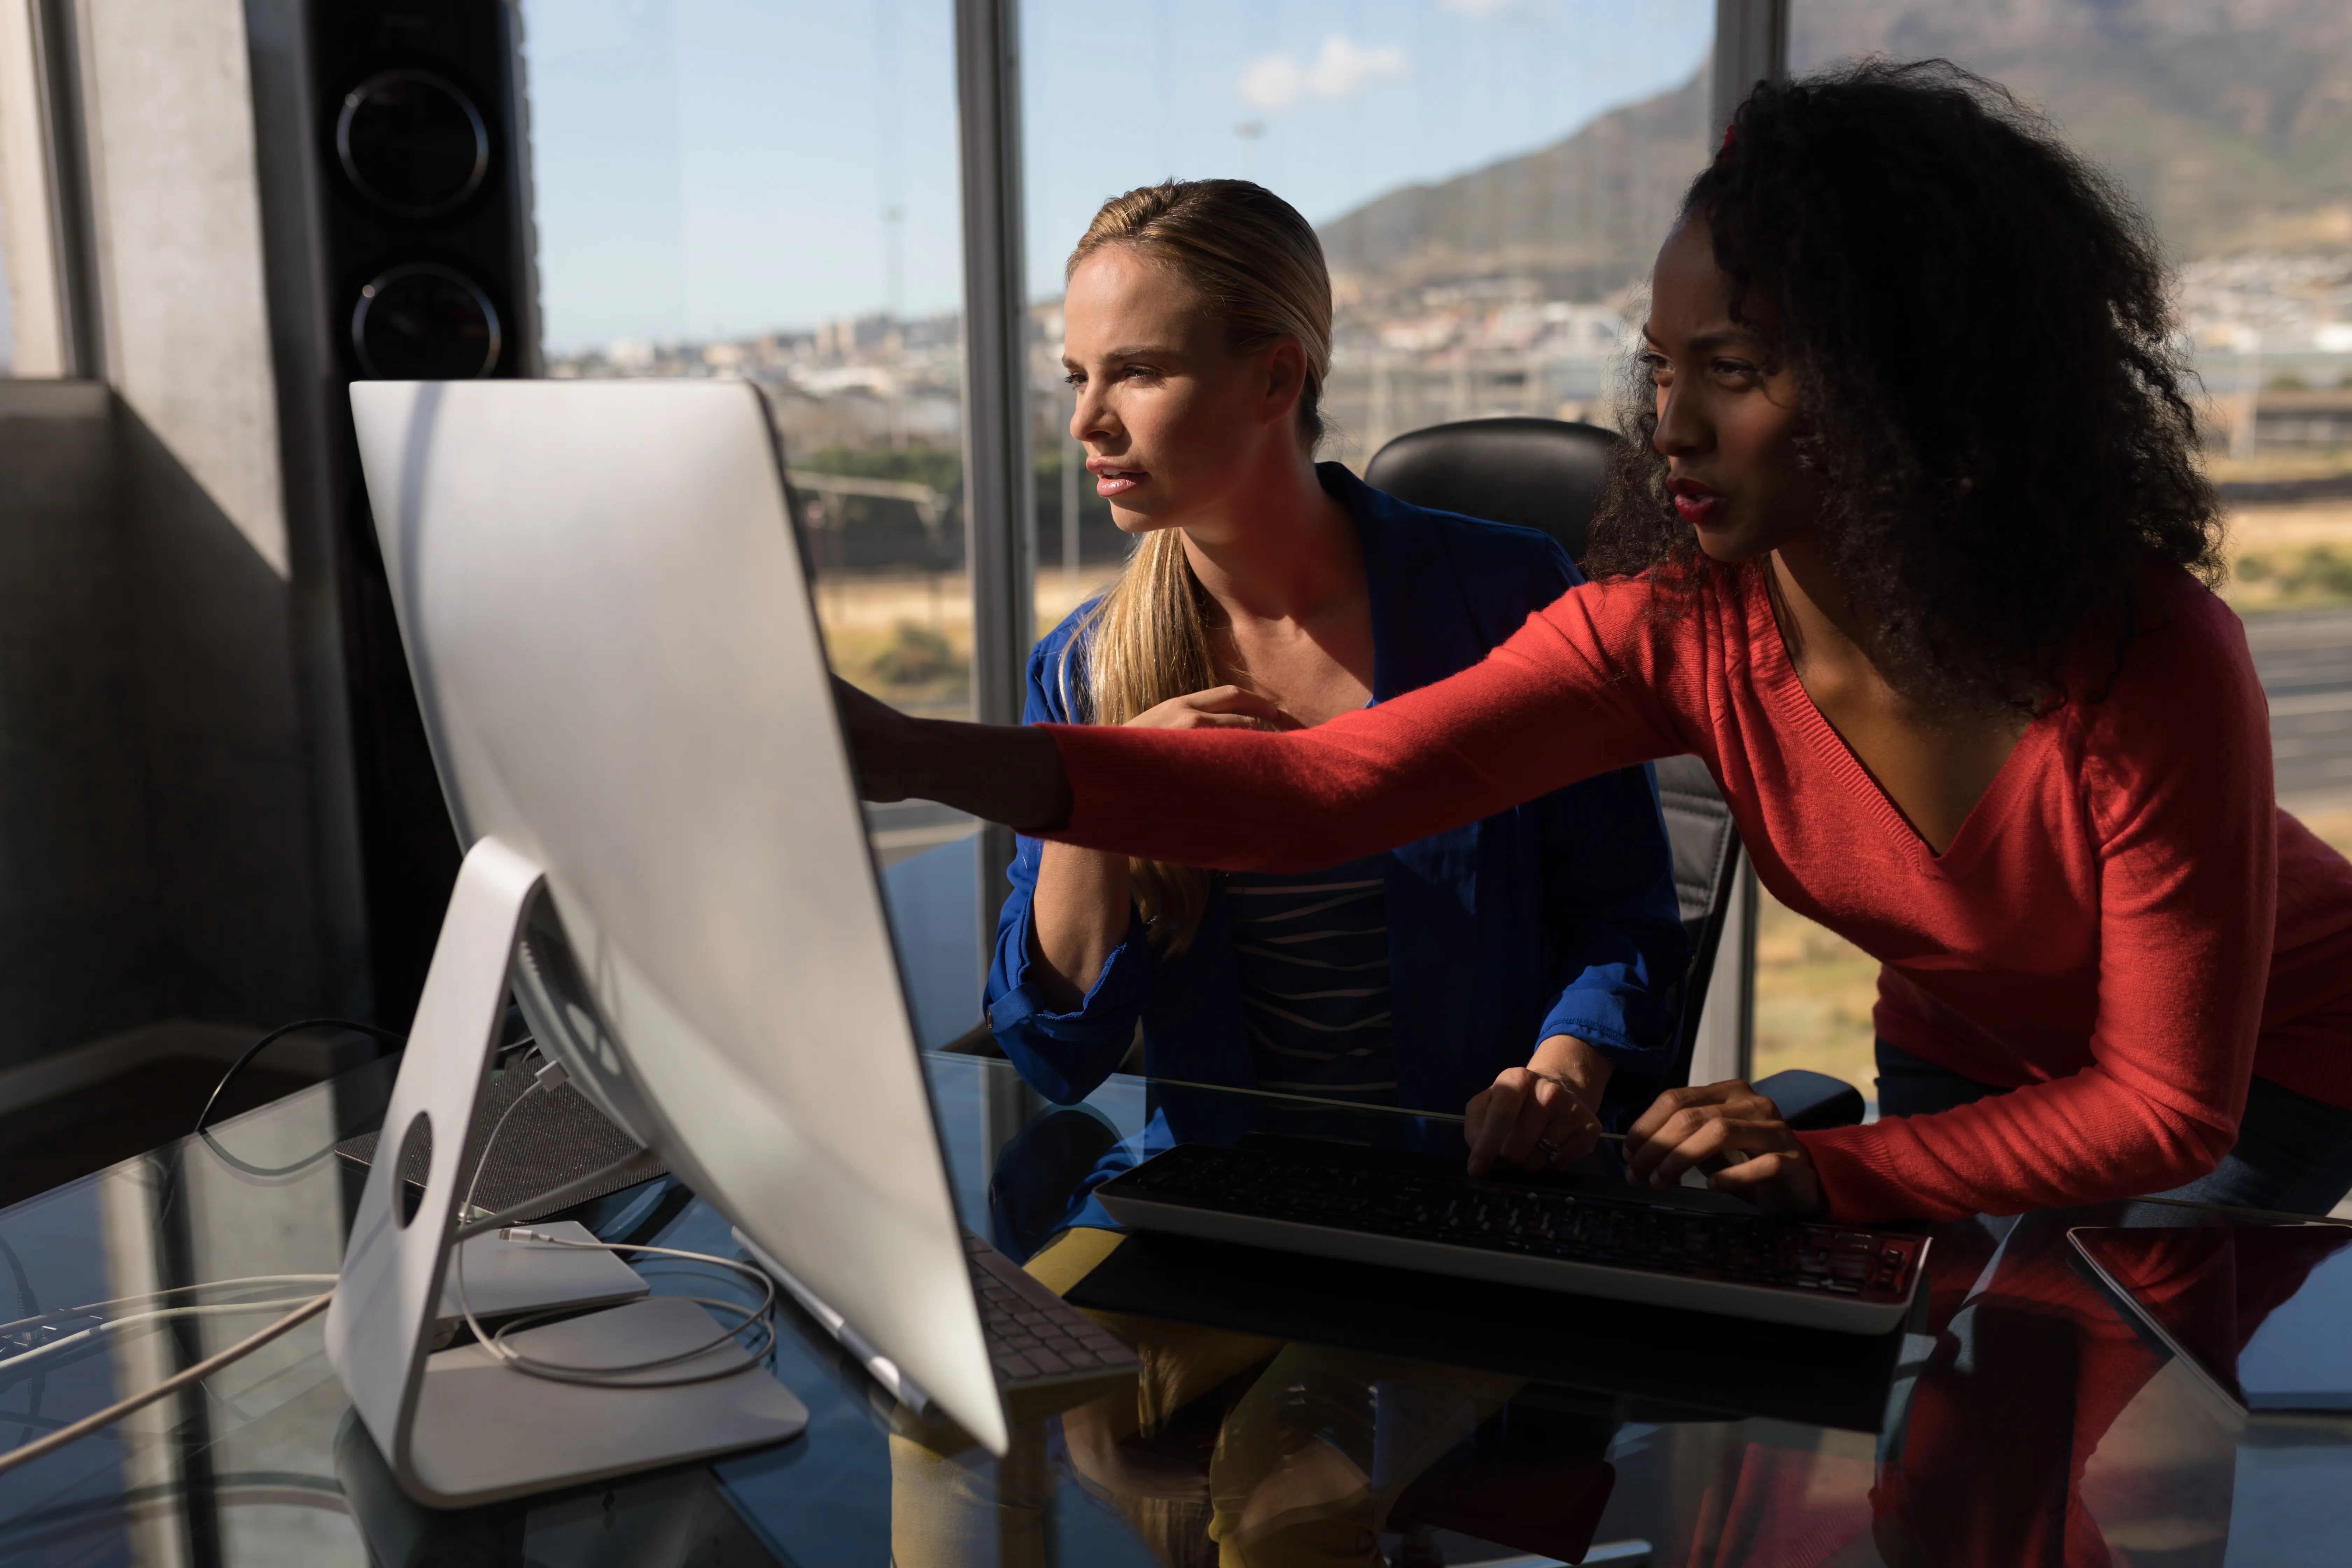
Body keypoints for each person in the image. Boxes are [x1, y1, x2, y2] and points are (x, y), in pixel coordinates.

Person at [838, 63, 2352, 1224]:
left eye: (1734, 370)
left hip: (2270, 1069)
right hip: (1960, 1038)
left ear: (1912, 388)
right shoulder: (1678, 631)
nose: (1667, 422)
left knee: (2122, 1449)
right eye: (1660, 364)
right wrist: (904, 753)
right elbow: (1333, 788)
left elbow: (2165, 1110)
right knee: (1951, 1438)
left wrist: (1828, 1174)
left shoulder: (2150, 653)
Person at [984, 179, 1688, 1169]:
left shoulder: (1511, 599)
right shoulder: (1085, 672)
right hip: (1218, 1216)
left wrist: (1561, 1079)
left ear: (1276, 380)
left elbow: (1621, 913)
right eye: (1076, 378)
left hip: (1474, 1202)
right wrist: (1111, 786)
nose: (1087, 422)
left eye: (1136, 373)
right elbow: (1056, 1051)